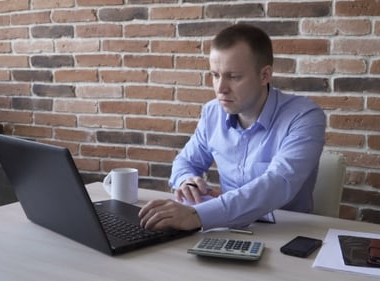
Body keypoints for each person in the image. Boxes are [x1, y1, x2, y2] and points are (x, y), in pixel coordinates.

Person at [139, 23, 326, 231]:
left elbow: (278, 183)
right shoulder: (212, 112)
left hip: (284, 233)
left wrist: (198, 215)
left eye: (234, 77)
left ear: (265, 75)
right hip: (222, 228)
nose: (220, 89)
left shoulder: (305, 116)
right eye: (215, 75)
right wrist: (187, 181)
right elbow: (185, 162)